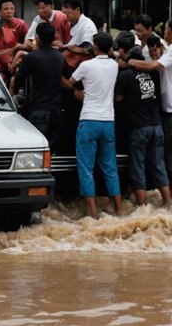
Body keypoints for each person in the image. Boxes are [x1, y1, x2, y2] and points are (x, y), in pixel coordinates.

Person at [121, 17, 172, 199]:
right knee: (170, 160)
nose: (163, 33)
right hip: (168, 112)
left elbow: (154, 66)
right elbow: (159, 66)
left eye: (166, 29)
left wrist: (131, 63)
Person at [67, 32, 122, 218]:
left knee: (86, 168)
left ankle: (92, 214)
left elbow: (71, 82)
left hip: (89, 120)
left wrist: (77, 93)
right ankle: (119, 210)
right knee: (110, 169)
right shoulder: (114, 66)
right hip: (108, 121)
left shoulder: (86, 65)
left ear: (95, 46)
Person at [113, 31, 170, 207]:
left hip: (139, 128)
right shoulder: (153, 73)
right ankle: (169, 203)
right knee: (158, 165)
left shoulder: (125, 76)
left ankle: (142, 207)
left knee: (138, 167)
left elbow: (118, 99)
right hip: (157, 126)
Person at [13, 22, 66, 147]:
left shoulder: (32, 57)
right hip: (56, 109)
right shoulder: (60, 57)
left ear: (37, 37)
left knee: (37, 145)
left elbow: (19, 78)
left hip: (38, 109)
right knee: (51, 146)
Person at [60, 0, 96, 76]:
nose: (64, 12)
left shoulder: (88, 25)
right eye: (63, 8)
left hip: (79, 69)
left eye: (67, 8)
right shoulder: (67, 22)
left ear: (77, 9)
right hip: (66, 65)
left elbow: (89, 49)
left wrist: (70, 48)